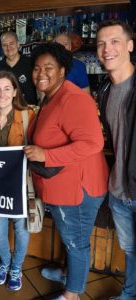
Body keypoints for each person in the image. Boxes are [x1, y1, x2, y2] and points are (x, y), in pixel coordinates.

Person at [24, 43, 109, 300]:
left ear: (62, 70)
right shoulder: (53, 96)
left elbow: (94, 143)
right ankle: (67, 272)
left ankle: (72, 294)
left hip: (78, 190)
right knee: (70, 237)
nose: (41, 73)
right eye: (37, 68)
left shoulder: (73, 98)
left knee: (76, 243)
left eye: (49, 67)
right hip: (64, 187)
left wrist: (45, 155)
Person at [0, 70, 35, 291]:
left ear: (14, 92)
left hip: (20, 185)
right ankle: (4, 262)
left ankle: (16, 267)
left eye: (6, 89)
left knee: (21, 229)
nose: (1, 94)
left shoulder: (27, 115)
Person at [96, 19, 136, 300]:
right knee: (131, 250)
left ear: (130, 45)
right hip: (119, 191)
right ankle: (130, 293)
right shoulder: (105, 92)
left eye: (114, 42)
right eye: (101, 44)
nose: (107, 49)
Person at [0, 31, 37, 105]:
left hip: (28, 110)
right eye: (5, 45)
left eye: (11, 43)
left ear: (18, 44)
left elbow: (40, 89)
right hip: (7, 110)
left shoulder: (30, 63)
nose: (8, 48)